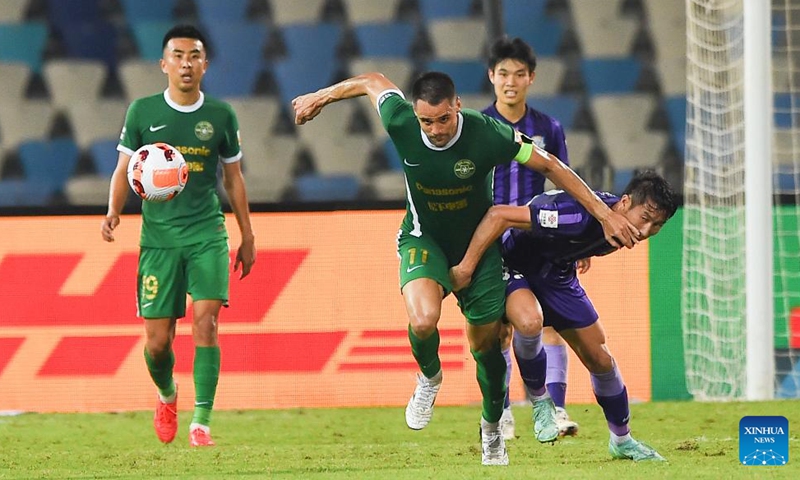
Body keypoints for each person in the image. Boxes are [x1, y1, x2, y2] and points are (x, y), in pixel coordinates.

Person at [292, 71, 640, 465]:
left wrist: (603, 213)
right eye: (427, 121)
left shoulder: (487, 133)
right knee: (423, 321)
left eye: (444, 119)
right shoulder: (399, 120)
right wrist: (321, 95)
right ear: (415, 115)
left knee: (485, 346)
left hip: (480, 245)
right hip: (423, 240)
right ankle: (430, 377)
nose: (436, 129)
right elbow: (372, 80)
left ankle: (492, 430)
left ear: (457, 105)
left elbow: (551, 166)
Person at [450, 170, 677, 461]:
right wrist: (467, 267)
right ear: (624, 202)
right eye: (644, 218)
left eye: (656, 225)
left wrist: (578, 250)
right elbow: (498, 216)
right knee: (528, 322)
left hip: (555, 274)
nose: (645, 231)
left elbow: (572, 241)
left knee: (600, 358)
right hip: (510, 263)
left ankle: (622, 440)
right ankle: (539, 402)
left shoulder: (616, 228)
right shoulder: (573, 215)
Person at [101, 25, 256, 447]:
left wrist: (247, 233)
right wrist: (114, 210)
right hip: (158, 241)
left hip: (207, 233)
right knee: (157, 344)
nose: (186, 63)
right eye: (178, 55)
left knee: (206, 322)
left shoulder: (221, 115)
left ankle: (201, 421)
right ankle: (167, 395)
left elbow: (234, 178)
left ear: (205, 64)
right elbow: (123, 168)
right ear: (164, 64)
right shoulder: (141, 112)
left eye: (194, 56)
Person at [482, 36, 579, 440]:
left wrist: (574, 242)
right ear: (491, 77)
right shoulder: (478, 127)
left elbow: (565, 182)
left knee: (551, 324)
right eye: (503, 73)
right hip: (493, 239)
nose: (511, 81)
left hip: (540, 237)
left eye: (519, 74)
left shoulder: (548, 128)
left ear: (531, 78)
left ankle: (554, 410)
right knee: (498, 328)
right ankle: (503, 414)